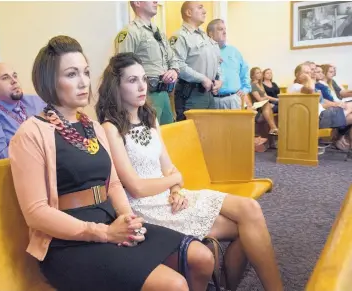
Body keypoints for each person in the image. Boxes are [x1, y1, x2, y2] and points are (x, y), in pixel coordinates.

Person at [8, 35, 214, 291]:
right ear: (50, 81)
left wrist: (128, 219)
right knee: (173, 285)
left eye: (85, 72)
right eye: (71, 74)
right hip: (66, 243)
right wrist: (103, 233)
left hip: (110, 221)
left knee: (202, 257)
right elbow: (36, 213)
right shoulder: (30, 134)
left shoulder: (92, 126)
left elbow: (113, 184)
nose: (84, 82)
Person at [96, 52, 284, 291]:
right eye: (132, 80)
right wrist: (174, 181)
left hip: (170, 199)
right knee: (246, 229)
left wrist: (176, 189)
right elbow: (136, 187)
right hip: (145, 208)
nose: (142, 86)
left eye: (144, 79)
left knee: (250, 209)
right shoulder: (110, 128)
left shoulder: (150, 119)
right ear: (116, 86)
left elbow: (169, 167)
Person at [114, 1, 179, 125]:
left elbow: (173, 59)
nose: (156, 1)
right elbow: (121, 69)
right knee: (149, 135)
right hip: (146, 96)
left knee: (168, 137)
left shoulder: (158, 32)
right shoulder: (130, 32)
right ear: (137, 2)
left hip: (165, 94)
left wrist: (174, 70)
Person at [170, 1, 222, 121]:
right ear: (188, 12)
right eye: (200, 8)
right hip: (191, 93)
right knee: (192, 135)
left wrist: (219, 80)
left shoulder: (205, 37)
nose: (204, 11)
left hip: (209, 94)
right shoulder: (180, 36)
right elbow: (177, 65)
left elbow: (218, 61)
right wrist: (202, 78)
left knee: (210, 133)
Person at [288, 63, 352, 129]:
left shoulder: (306, 86)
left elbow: (321, 100)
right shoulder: (295, 86)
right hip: (319, 118)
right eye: (306, 73)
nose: (310, 75)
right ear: (297, 74)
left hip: (323, 115)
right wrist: (309, 79)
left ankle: (342, 137)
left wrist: (336, 104)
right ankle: (341, 135)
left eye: (310, 73)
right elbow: (311, 91)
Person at [207, 19, 252, 110]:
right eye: (220, 29)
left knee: (236, 124)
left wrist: (245, 89)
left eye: (225, 29)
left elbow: (244, 70)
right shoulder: (205, 52)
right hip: (212, 100)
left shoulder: (234, 51)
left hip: (233, 99)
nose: (224, 32)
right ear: (210, 34)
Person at [249, 67, 279, 135]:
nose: (260, 74)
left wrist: (277, 99)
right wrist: (267, 99)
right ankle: (274, 128)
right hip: (257, 106)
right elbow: (259, 99)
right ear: (253, 75)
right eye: (257, 73)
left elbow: (266, 96)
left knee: (274, 104)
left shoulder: (260, 84)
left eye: (260, 72)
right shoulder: (253, 85)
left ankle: (273, 128)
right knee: (267, 104)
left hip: (263, 103)